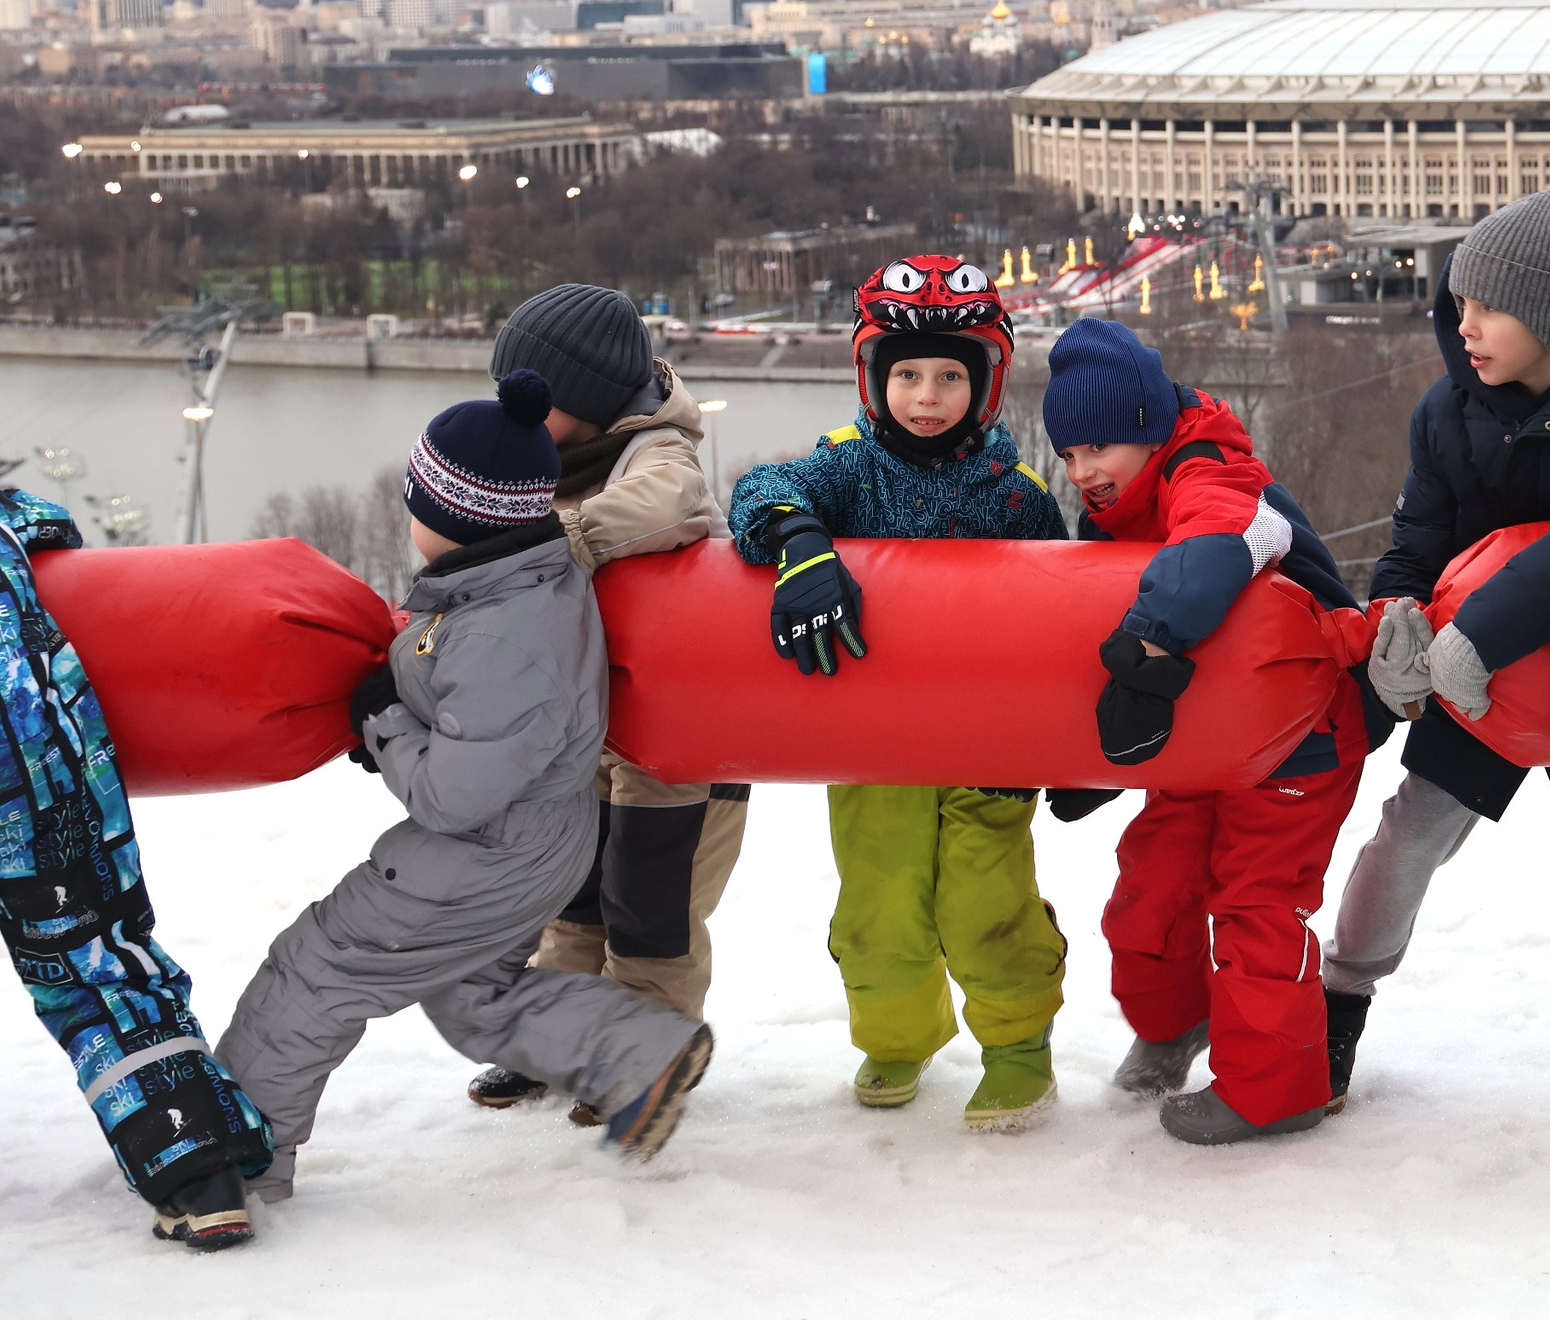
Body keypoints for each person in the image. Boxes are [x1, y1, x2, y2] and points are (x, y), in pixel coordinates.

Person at [217, 371, 715, 1201]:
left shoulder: (501, 633)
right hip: (533, 843)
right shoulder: (515, 581)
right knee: (470, 993)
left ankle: (230, 1163)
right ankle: (640, 1052)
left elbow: (454, 794)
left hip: (484, 852)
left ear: (448, 515)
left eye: (416, 498)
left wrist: (384, 726)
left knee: (317, 969)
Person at [1324, 191, 1550, 1107]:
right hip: (1473, 686)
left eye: (1489, 308)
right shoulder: (1446, 411)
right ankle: (1337, 1004)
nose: (1462, 324)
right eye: (1460, 302)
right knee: (1409, 832)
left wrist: (1484, 630)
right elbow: (1417, 536)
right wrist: (1398, 609)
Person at [727, 255, 1070, 1132]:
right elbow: (762, 489)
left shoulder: (1016, 495)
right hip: (872, 742)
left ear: (985, 382)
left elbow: (1066, 613)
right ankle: (896, 1035)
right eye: (906, 374)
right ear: (874, 379)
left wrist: (1068, 739)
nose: (926, 394)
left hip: (987, 745)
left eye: (950, 374)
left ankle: (1018, 1044)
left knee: (985, 900)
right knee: (880, 903)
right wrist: (800, 539)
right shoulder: (849, 468)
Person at [1043, 317, 1386, 1146]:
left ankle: (1276, 1090)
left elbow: (1218, 545)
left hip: (1303, 725)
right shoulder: (1119, 504)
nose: (1084, 472)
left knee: (1256, 903)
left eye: (1100, 449)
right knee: (1150, 891)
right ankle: (1174, 1026)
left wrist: (1146, 652)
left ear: (1148, 432)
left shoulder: (1210, 472)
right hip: (1207, 735)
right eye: (1069, 455)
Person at [463, 283, 735, 1123]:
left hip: (680, 740)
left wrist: (556, 544)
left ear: (582, 401)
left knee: (648, 901)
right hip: (583, 732)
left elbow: (670, 507)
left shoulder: (656, 450)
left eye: (529, 399)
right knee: (571, 892)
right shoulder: (541, 455)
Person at [0, 486, 273, 1250]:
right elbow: (52, 523)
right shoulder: (11, 523)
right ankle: (199, 1171)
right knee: (99, 971)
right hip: (40, 777)